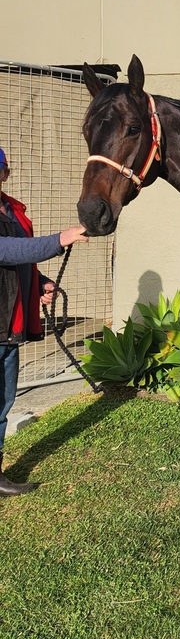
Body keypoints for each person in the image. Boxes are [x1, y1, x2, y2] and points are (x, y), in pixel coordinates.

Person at [0, 146, 88, 497]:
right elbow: (6, 250)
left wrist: (40, 283)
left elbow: (20, 262)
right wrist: (58, 240)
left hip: (9, 327)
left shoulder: (14, 211)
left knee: (2, 405)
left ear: (5, 172)